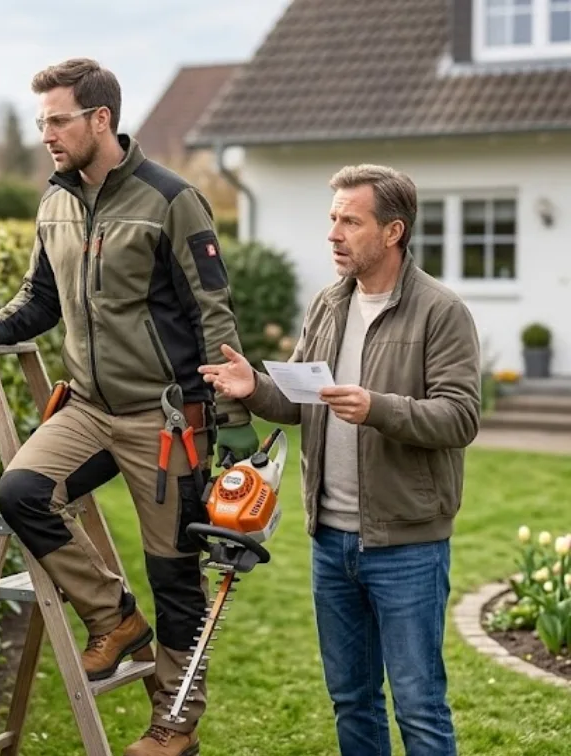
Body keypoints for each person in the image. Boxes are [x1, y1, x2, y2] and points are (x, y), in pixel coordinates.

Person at [0, 57, 260, 756]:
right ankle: (114, 618)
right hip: (88, 410)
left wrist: (233, 420)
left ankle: (175, 725)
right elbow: (41, 298)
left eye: (58, 120)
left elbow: (212, 312)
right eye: (41, 122)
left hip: (166, 419)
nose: (46, 135)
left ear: (101, 119)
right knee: (22, 493)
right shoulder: (55, 201)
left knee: (174, 575)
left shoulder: (171, 199)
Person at [199, 164, 481, 756]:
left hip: (407, 545)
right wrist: (254, 387)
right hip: (330, 542)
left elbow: (460, 417)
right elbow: (303, 402)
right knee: (351, 699)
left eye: (350, 221)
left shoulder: (440, 310)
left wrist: (378, 407)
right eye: (332, 219)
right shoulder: (328, 304)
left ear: (393, 231)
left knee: (419, 706)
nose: (333, 233)